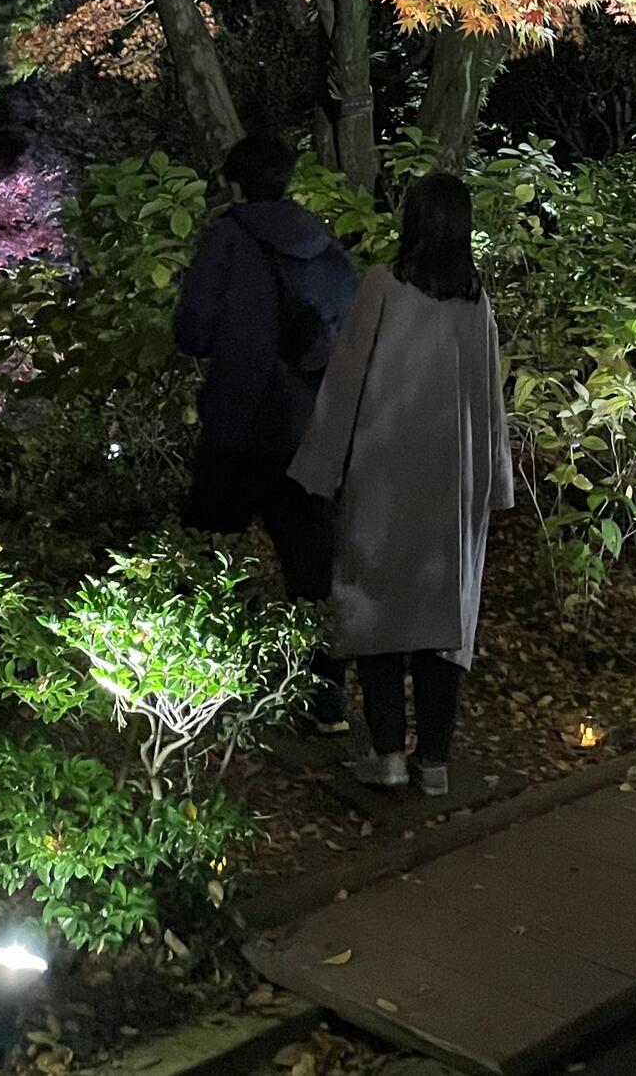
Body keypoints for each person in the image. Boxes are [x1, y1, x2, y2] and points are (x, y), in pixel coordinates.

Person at [290, 171, 515, 796]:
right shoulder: (475, 300)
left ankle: (388, 756)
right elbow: (489, 401)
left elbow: (345, 384)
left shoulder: (384, 286)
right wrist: (495, 484)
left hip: (383, 477)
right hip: (452, 486)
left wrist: (319, 469)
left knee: (376, 612)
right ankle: (435, 763)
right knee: (444, 626)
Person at [174, 128, 358, 732]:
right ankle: (324, 701)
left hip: (236, 423)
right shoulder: (323, 243)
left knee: (206, 552)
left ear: (233, 182)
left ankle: (197, 694)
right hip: (306, 427)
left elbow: (191, 332)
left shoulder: (225, 241)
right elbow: (348, 328)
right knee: (312, 569)